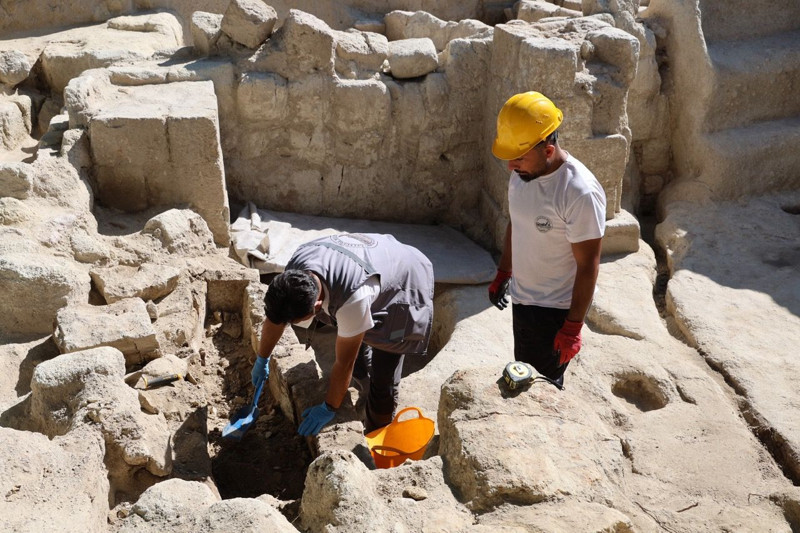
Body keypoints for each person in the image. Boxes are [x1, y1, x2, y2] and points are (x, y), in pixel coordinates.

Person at [251, 232, 434, 436]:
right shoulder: (294, 274)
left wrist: (329, 407)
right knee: (355, 340)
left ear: (317, 307)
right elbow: (276, 319)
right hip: (369, 261)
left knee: (384, 376)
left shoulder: (353, 300)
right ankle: (364, 388)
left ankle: (378, 434)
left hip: (404, 280)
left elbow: (344, 362)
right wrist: (262, 358)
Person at [488, 91, 606, 387]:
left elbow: (589, 264)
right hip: (524, 298)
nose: (510, 167)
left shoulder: (578, 192)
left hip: (555, 310)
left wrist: (572, 327)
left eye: (518, 158)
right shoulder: (523, 174)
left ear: (548, 149)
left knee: (541, 386)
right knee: (525, 370)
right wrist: (505, 271)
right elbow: (517, 223)